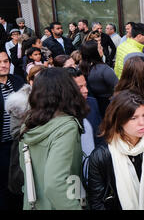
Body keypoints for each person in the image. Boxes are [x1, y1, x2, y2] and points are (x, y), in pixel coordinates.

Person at [87, 90, 144, 210]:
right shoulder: (101, 156)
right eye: (133, 118)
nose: (142, 123)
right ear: (118, 120)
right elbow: (97, 201)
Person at [19, 67, 89, 210]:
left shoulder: (28, 123)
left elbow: (25, 168)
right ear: (67, 90)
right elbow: (55, 183)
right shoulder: (66, 127)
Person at [5, 65, 44, 204]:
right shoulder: (20, 102)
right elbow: (15, 132)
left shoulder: (52, 99)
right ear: (31, 81)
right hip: (25, 154)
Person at [0, 50, 25, 210]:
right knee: (3, 183)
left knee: (19, 181)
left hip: (19, 142)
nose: (3, 65)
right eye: (0, 62)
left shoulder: (17, 82)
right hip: (1, 145)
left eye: (6, 61)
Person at [66, 67, 103, 156]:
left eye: (85, 86)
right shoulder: (62, 113)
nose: (86, 90)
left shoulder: (92, 103)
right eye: (80, 88)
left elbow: (99, 134)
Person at [79, 40, 118, 118]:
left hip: (91, 105)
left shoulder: (81, 68)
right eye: (100, 48)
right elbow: (118, 86)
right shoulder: (104, 69)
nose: (102, 48)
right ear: (94, 53)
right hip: (108, 105)